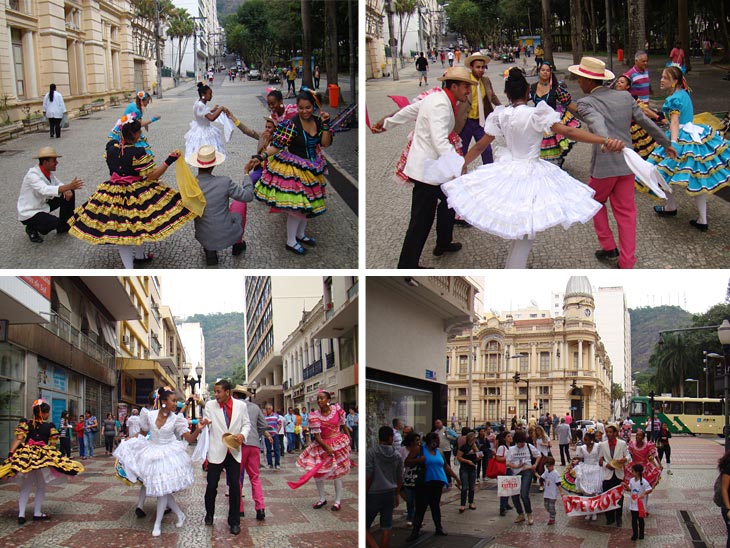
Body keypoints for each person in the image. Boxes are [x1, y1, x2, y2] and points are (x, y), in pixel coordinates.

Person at [442, 68, 615, 269]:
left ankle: (513, 267)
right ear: (527, 92)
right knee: (526, 229)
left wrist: (462, 163)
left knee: (523, 229)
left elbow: (480, 145)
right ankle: (514, 270)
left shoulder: (502, 115)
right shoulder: (536, 114)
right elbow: (569, 132)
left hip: (509, 170)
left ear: (507, 94)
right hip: (531, 172)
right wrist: (603, 139)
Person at [572, 56, 676, 269]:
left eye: (580, 78)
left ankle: (609, 246)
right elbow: (646, 122)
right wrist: (666, 142)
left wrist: (606, 140)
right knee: (626, 212)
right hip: (627, 164)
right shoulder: (625, 97)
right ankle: (627, 261)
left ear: (588, 81)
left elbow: (596, 121)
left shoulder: (586, 102)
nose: (578, 82)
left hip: (603, 166)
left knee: (593, 202)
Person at [371, 66, 474, 267]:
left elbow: (408, 111)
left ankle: (443, 242)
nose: (468, 91)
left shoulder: (437, 98)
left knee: (450, 200)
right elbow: (439, 141)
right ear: (453, 86)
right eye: (465, 87)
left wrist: (387, 124)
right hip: (426, 173)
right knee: (420, 222)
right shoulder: (440, 104)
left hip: (434, 169)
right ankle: (406, 265)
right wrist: (459, 165)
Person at [68, 118, 195, 269]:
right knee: (134, 226)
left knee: (125, 228)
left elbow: (112, 137)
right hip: (135, 192)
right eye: (139, 131)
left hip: (112, 192)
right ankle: (130, 267)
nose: (140, 134)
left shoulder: (110, 148)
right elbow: (153, 176)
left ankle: (139, 257)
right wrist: (169, 160)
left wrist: (122, 124)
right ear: (134, 134)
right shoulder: (137, 152)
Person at [248, 90, 332, 255]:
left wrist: (326, 125)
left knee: (307, 205)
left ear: (314, 107)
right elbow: (277, 145)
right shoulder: (292, 124)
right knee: (297, 208)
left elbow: (325, 143)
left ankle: (300, 234)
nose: (304, 111)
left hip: (312, 168)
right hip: (294, 169)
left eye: (308, 107)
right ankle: (291, 241)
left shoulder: (318, 121)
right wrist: (261, 157)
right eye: (301, 108)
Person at [646, 66, 730, 231]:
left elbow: (675, 122)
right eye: (662, 77)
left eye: (665, 77)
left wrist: (673, 143)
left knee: (661, 171)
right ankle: (702, 219)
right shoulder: (684, 94)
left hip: (680, 137)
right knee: (697, 176)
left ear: (675, 81)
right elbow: (674, 120)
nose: (661, 80)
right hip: (694, 134)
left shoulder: (674, 99)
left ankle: (671, 207)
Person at [132, 388, 204, 536]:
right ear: (164, 401)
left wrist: (198, 429)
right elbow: (143, 433)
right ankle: (180, 515)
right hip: (152, 454)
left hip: (168, 455)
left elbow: (189, 438)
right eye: (173, 401)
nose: (175, 404)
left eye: (176, 401)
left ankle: (157, 524)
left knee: (162, 491)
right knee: (162, 489)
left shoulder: (177, 419)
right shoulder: (150, 415)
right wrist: (130, 439)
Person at [0, 399, 84, 524]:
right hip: (42, 457)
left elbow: (19, 438)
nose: (48, 414)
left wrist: (11, 453)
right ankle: (37, 513)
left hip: (27, 456)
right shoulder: (49, 426)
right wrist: (54, 456)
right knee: (41, 485)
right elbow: (53, 444)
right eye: (47, 412)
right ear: (43, 413)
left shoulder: (26, 423)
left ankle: (21, 514)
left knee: (26, 486)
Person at [185, 145, 253, 266]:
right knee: (239, 204)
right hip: (226, 233)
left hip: (203, 235)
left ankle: (209, 250)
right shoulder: (224, 181)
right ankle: (237, 244)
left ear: (197, 164)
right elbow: (248, 196)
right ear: (214, 165)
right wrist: (247, 174)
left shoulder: (190, 185)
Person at [200, 379, 251, 535]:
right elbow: (208, 421)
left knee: (235, 486)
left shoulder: (241, 406)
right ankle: (209, 514)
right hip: (216, 451)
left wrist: (243, 435)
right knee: (211, 486)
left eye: (218, 392)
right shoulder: (210, 406)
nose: (216, 395)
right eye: (215, 392)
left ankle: (234, 521)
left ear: (227, 392)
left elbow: (246, 424)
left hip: (234, 451)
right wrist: (204, 423)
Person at [289, 390, 352, 511]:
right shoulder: (314, 416)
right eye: (318, 399)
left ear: (328, 400)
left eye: (322, 398)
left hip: (338, 443)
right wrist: (327, 448)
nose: (319, 401)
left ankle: (337, 501)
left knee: (337, 473)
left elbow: (343, 425)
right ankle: (322, 498)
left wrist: (348, 438)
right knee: (318, 473)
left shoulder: (337, 410)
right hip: (322, 445)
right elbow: (317, 437)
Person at [17, 147, 83, 244]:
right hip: (30, 212)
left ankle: (65, 226)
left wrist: (67, 189)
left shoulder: (47, 173)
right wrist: (68, 186)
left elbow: (58, 183)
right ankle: (31, 228)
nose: (57, 163)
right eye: (54, 161)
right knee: (54, 222)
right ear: (45, 162)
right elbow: (44, 190)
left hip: (43, 205)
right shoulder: (32, 175)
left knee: (69, 192)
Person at [406, 431, 461, 540]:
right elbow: (407, 462)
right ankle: (415, 531)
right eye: (434, 442)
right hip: (424, 482)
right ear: (429, 441)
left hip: (438, 482)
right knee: (421, 507)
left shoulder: (439, 451)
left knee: (435, 505)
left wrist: (456, 477)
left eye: (437, 442)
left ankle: (438, 527)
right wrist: (418, 460)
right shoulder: (420, 449)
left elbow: (446, 466)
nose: (436, 444)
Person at [529, 60, 582, 166]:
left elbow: (568, 103)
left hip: (552, 120)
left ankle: (556, 163)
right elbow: (523, 99)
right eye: (543, 70)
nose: (545, 72)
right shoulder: (532, 87)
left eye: (547, 70)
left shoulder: (556, 88)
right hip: (538, 120)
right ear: (539, 71)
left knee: (554, 144)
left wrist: (584, 114)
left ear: (551, 73)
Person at [232, 385, 271, 521]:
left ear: (235, 395)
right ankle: (260, 508)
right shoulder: (255, 407)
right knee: (255, 477)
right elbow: (263, 425)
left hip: (239, 445)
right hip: (254, 445)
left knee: (237, 477)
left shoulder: (234, 407)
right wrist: (256, 434)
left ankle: (240, 508)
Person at [454, 51, 501, 166]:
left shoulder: (486, 81)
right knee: (461, 151)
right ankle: (458, 171)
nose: (481, 70)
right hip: (465, 122)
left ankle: (488, 171)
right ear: (471, 67)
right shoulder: (465, 81)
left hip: (480, 122)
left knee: (487, 150)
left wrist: (502, 107)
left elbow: (492, 96)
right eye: (478, 67)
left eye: (483, 67)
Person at [366, 426, 403, 548]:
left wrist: (365, 492)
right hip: (390, 493)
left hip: (374, 492)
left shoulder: (371, 453)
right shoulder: (397, 455)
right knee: (387, 526)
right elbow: (399, 478)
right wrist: (396, 494)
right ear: (390, 438)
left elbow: (369, 475)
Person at [612, 75, 664, 160]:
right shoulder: (612, 99)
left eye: (622, 82)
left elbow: (644, 110)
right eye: (618, 81)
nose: (618, 83)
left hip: (635, 130)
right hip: (621, 131)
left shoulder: (632, 98)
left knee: (641, 155)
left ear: (627, 86)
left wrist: (658, 117)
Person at [507, 430, 543, 525]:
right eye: (520, 442)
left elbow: (538, 455)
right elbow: (508, 463)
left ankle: (529, 514)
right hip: (515, 473)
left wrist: (535, 464)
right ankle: (520, 514)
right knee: (514, 495)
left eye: (523, 442)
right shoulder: (511, 449)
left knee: (524, 493)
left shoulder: (528, 446)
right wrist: (516, 466)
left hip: (527, 471)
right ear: (516, 442)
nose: (522, 444)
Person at [184, 82, 228, 159]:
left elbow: (202, 114)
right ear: (203, 94)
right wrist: (221, 108)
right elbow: (211, 118)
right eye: (210, 94)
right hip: (203, 131)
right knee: (206, 153)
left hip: (199, 128)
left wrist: (212, 110)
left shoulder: (198, 102)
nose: (211, 96)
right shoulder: (201, 105)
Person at [597, 424, 629, 526]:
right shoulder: (602, 445)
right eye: (607, 432)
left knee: (619, 496)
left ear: (615, 433)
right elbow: (600, 460)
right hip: (607, 474)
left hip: (618, 474)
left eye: (610, 432)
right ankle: (609, 517)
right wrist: (606, 465)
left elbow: (628, 456)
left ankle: (618, 517)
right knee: (607, 496)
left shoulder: (622, 444)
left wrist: (625, 459)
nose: (608, 434)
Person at [625, 429, 661, 514]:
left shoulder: (648, 445)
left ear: (643, 437)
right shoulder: (632, 445)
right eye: (637, 435)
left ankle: (644, 508)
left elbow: (654, 455)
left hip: (645, 469)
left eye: (640, 435)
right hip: (634, 468)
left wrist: (659, 464)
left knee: (643, 489)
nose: (638, 437)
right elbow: (627, 455)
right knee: (634, 488)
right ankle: (634, 507)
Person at [400, 431, 422, 527]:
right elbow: (401, 463)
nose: (418, 442)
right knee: (409, 499)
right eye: (416, 440)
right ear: (411, 441)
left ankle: (416, 518)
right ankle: (410, 517)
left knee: (417, 500)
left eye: (419, 440)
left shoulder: (420, 450)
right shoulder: (402, 450)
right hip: (406, 477)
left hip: (417, 477)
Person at [456, 430, 481, 512]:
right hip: (465, 468)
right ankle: (462, 504)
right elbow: (459, 457)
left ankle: (471, 502)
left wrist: (476, 449)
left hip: (472, 468)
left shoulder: (475, 447)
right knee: (464, 487)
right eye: (473, 438)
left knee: (471, 487)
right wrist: (467, 461)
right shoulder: (464, 447)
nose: (474, 440)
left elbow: (480, 456)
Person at [629, 463, 652, 540]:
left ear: (637, 472)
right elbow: (630, 488)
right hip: (633, 504)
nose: (632, 472)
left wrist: (643, 494)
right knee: (633, 520)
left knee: (640, 519)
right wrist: (625, 486)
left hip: (640, 505)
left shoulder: (644, 482)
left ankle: (641, 534)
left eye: (633, 471)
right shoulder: (631, 480)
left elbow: (649, 489)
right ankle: (635, 534)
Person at [495, 431, 514, 516]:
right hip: (504, 469)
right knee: (504, 488)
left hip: (510, 468)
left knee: (508, 488)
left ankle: (506, 503)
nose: (510, 438)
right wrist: (508, 458)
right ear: (504, 438)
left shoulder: (511, 447)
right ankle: (502, 507)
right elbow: (498, 458)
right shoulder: (502, 447)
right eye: (508, 436)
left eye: (511, 436)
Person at [541, 456, 561, 525]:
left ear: (553, 465)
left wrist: (561, 492)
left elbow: (558, 483)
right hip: (546, 493)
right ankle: (552, 513)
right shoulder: (546, 472)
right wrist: (534, 472)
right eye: (546, 466)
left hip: (553, 494)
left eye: (549, 466)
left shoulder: (555, 473)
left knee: (551, 506)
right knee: (546, 506)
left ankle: (552, 518)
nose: (548, 468)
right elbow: (541, 478)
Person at [263, 404, 282, 469]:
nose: (267, 410)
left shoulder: (276, 416)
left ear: (271, 409)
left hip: (274, 435)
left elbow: (279, 424)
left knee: (276, 449)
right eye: (266, 409)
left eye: (268, 408)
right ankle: (270, 463)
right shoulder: (264, 417)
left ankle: (277, 464)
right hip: (267, 435)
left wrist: (277, 431)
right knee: (268, 450)